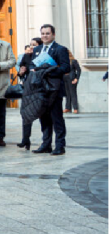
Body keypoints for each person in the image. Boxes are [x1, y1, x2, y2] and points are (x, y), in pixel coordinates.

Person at [32, 24, 69, 156]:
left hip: (54, 88)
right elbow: (32, 64)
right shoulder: (37, 49)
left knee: (56, 118)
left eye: (47, 33)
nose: (45, 36)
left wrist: (49, 71)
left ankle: (60, 146)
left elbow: (66, 67)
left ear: (53, 34)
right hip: (40, 89)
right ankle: (46, 144)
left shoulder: (60, 49)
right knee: (44, 118)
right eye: (43, 33)